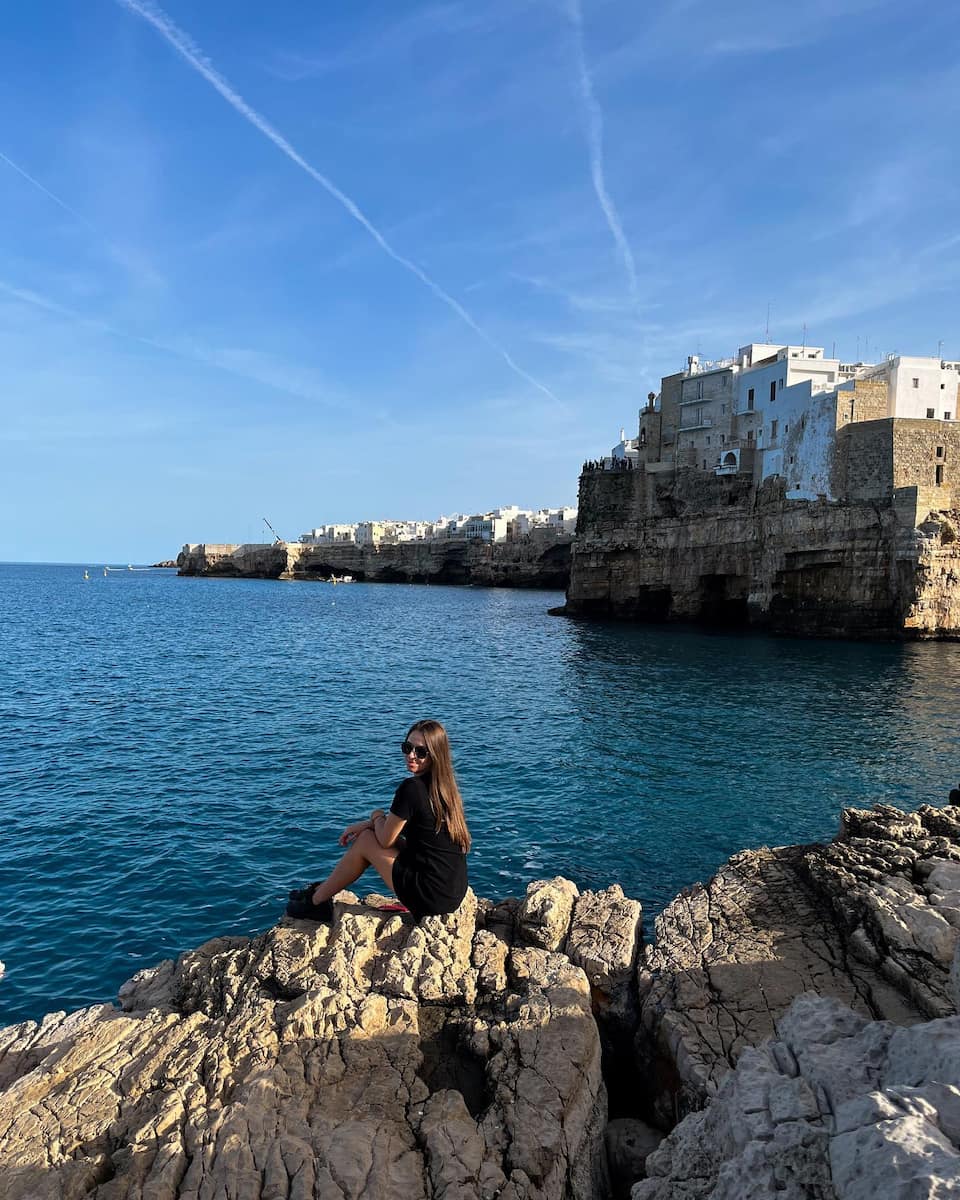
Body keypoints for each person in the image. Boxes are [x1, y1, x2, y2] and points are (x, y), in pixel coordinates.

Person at [286, 719, 470, 922]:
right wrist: (371, 824)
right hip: (452, 891)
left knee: (366, 841)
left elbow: (385, 841)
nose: (411, 755)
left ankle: (315, 902)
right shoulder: (446, 789)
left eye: (420, 752)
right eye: (407, 747)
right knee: (369, 834)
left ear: (435, 755)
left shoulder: (412, 788)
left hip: (431, 896)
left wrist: (375, 814)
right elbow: (400, 832)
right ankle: (320, 892)